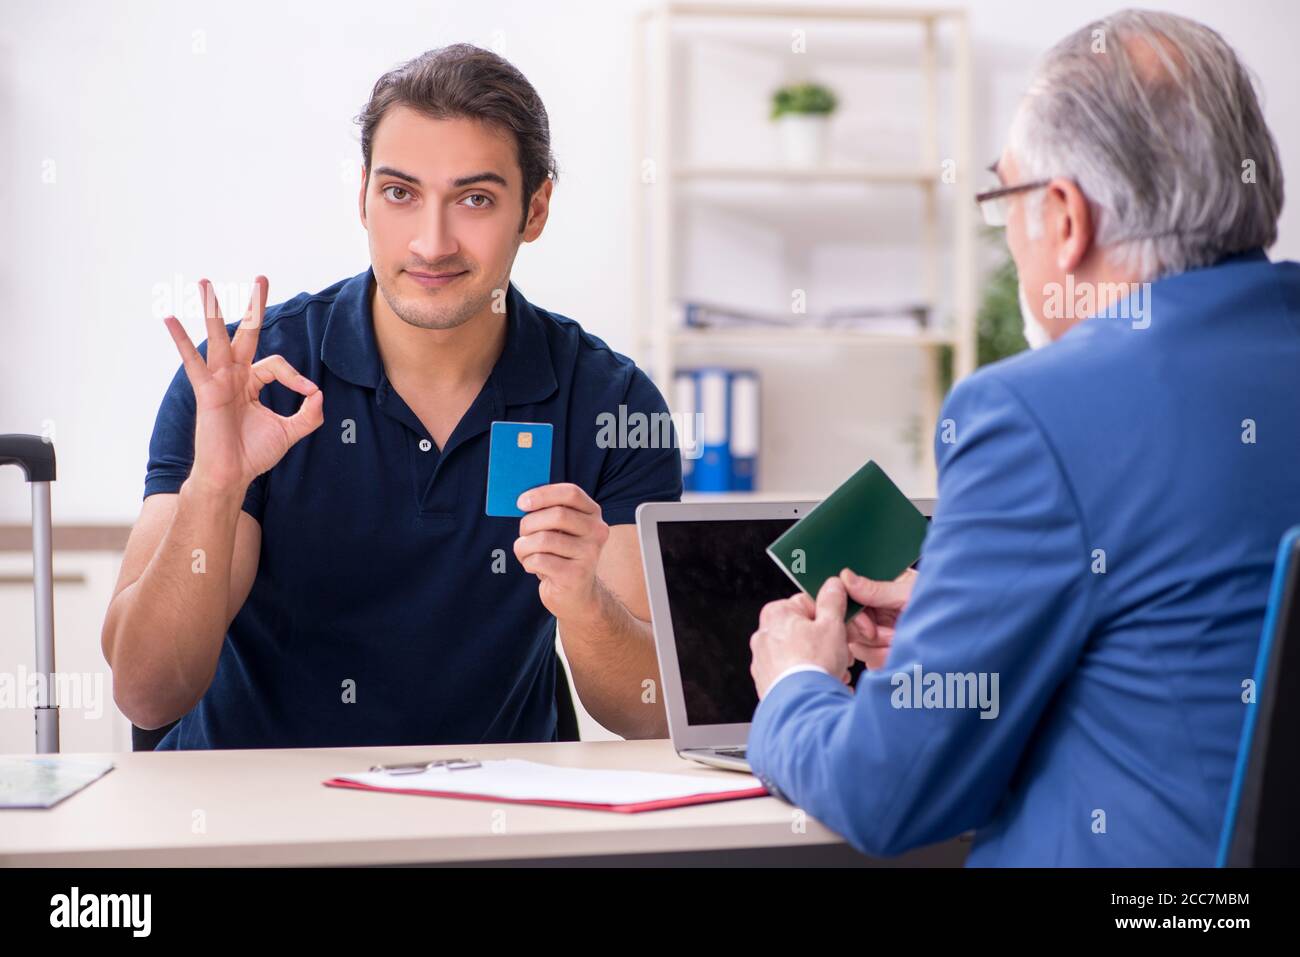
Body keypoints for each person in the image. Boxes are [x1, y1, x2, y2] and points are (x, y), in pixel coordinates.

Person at [747, 9, 1298, 866]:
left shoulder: (1035, 414)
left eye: (1005, 199)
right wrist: (955, 624)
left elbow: (886, 790)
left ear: (1066, 218)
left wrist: (795, 686)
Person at [102, 44, 681, 749]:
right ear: (364, 199)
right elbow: (146, 691)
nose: (431, 243)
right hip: (252, 820)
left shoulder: (610, 403)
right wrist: (216, 486)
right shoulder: (245, 380)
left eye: (475, 199)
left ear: (535, 210)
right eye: (400, 193)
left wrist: (585, 602)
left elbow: (650, 711)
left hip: (496, 820)